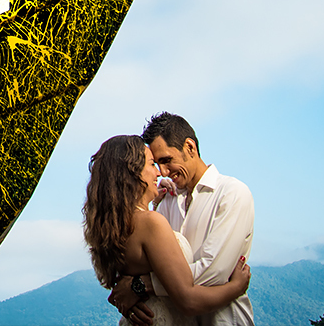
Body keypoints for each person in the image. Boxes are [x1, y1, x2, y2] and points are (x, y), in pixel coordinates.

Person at [83, 135, 250, 325]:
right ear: (133, 173)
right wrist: (236, 287)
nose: (159, 173)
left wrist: (140, 286)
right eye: (152, 164)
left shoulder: (117, 227)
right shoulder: (151, 223)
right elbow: (188, 300)